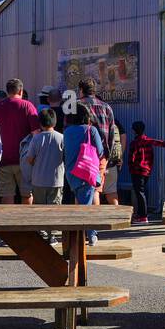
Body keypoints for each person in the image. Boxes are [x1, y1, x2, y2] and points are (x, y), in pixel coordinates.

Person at [0, 79, 40, 205]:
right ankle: (27, 221)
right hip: (25, 158)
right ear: (21, 91)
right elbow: (36, 133)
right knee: (27, 193)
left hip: (3, 158)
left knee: (6, 195)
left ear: (7, 91)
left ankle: (7, 223)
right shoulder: (27, 106)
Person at [63, 103, 104, 247]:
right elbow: (100, 151)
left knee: (81, 201)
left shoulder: (67, 131)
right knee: (86, 206)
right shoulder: (91, 130)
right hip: (86, 172)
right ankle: (90, 235)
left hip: (71, 173)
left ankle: (83, 235)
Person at [76, 78, 120, 206]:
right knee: (95, 189)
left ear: (81, 90)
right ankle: (94, 224)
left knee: (79, 190)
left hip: (80, 154)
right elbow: (112, 134)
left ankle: (82, 224)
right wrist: (107, 156)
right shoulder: (106, 107)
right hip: (100, 156)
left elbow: (68, 129)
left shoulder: (76, 106)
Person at [25, 108, 66, 241]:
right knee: (54, 207)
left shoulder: (36, 138)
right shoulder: (61, 138)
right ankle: (52, 234)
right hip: (56, 179)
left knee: (39, 207)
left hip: (38, 179)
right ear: (54, 122)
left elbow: (29, 159)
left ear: (40, 123)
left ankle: (41, 231)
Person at [124, 121, 157, 224]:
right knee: (142, 192)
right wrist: (149, 168)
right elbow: (151, 157)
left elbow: (131, 158)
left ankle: (143, 216)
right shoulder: (147, 141)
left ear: (134, 130)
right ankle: (143, 214)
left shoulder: (134, 143)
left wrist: (131, 168)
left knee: (139, 193)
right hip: (146, 171)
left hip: (137, 171)